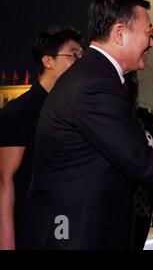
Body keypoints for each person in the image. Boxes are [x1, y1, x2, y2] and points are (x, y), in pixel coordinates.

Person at [17, 0, 153, 250]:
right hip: (76, 237)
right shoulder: (95, 85)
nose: (152, 42)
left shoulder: (95, 77)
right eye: (148, 32)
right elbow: (137, 159)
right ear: (119, 33)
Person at [0, 26, 83, 250]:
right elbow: (4, 181)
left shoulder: (73, 110)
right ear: (48, 61)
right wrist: (6, 242)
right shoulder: (21, 111)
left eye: (82, 56)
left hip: (65, 227)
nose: (80, 62)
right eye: (73, 55)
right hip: (29, 228)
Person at [123, 71, 153, 250]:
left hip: (143, 205)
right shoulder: (110, 117)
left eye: (134, 84)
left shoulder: (147, 120)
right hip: (116, 206)